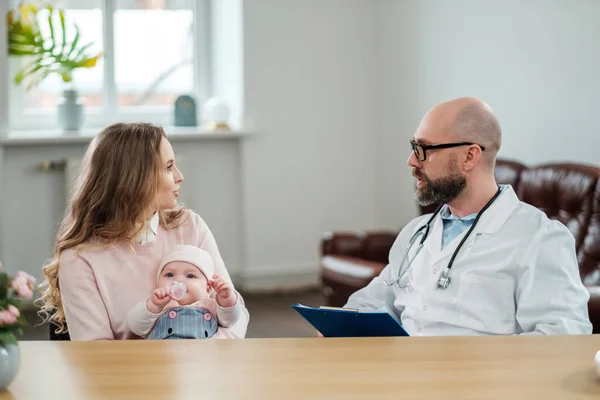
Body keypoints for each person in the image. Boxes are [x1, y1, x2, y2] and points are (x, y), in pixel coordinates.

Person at [344, 97, 592, 336]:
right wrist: (342, 323)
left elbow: (562, 334)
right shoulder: (416, 232)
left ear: (470, 156)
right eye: (413, 148)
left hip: (483, 378)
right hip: (407, 374)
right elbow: (374, 300)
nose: (411, 161)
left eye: (423, 149)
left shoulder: (540, 237)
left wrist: (471, 365)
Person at [38, 122, 249, 340]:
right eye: (168, 167)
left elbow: (236, 315)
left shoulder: (190, 226)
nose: (179, 176)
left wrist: (198, 357)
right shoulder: (79, 258)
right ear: (135, 179)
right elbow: (97, 352)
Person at [127, 245, 243, 339]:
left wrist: (227, 299)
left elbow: (230, 320)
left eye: (190, 276)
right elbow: (136, 327)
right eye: (170, 274)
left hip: (202, 359)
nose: (178, 280)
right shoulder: (159, 308)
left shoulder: (210, 305)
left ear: (207, 289)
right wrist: (152, 306)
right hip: (163, 359)